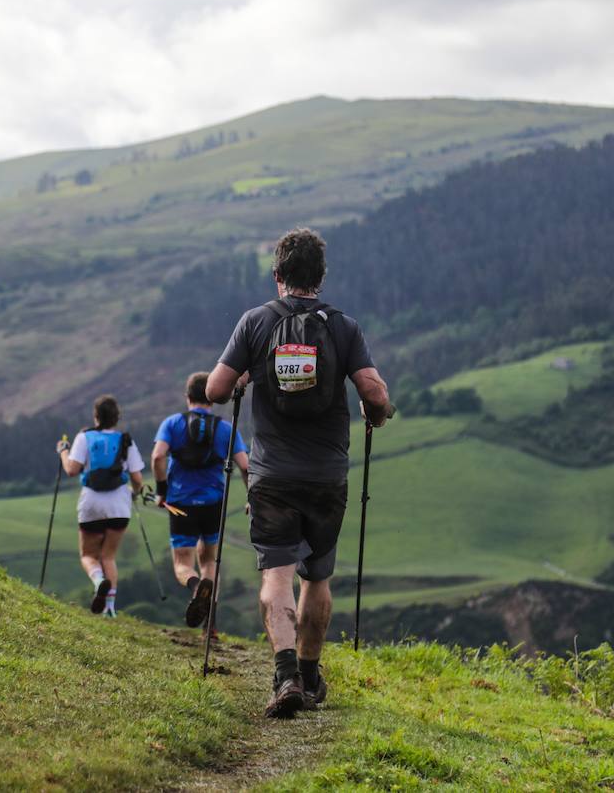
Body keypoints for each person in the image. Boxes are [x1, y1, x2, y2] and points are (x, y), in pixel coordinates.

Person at [207, 227, 390, 719]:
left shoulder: (255, 323)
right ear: (321, 277)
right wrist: (379, 411)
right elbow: (373, 392)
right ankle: (310, 675)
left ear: (278, 275)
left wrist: (245, 373)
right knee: (317, 577)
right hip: (327, 476)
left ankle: (284, 673)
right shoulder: (343, 327)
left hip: (272, 476)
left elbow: (215, 391)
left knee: (277, 574)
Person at [151, 371, 249, 633]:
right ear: (211, 397)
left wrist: (162, 490)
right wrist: (252, 496)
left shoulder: (172, 424)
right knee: (209, 562)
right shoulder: (225, 429)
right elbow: (245, 466)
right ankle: (211, 625)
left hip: (180, 502)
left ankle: (196, 588)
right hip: (213, 503)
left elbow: (158, 457)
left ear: (187, 397)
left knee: (183, 563)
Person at [57, 395, 146, 617]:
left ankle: (98, 581)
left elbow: (71, 469)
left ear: (95, 416)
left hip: (92, 503)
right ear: (117, 418)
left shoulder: (84, 437)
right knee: (108, 556)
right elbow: (137, 478)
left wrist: (63, 451)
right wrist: (135, 495)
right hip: (119, 506)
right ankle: (110, 608)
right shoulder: (126, 440)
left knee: (88, 555)